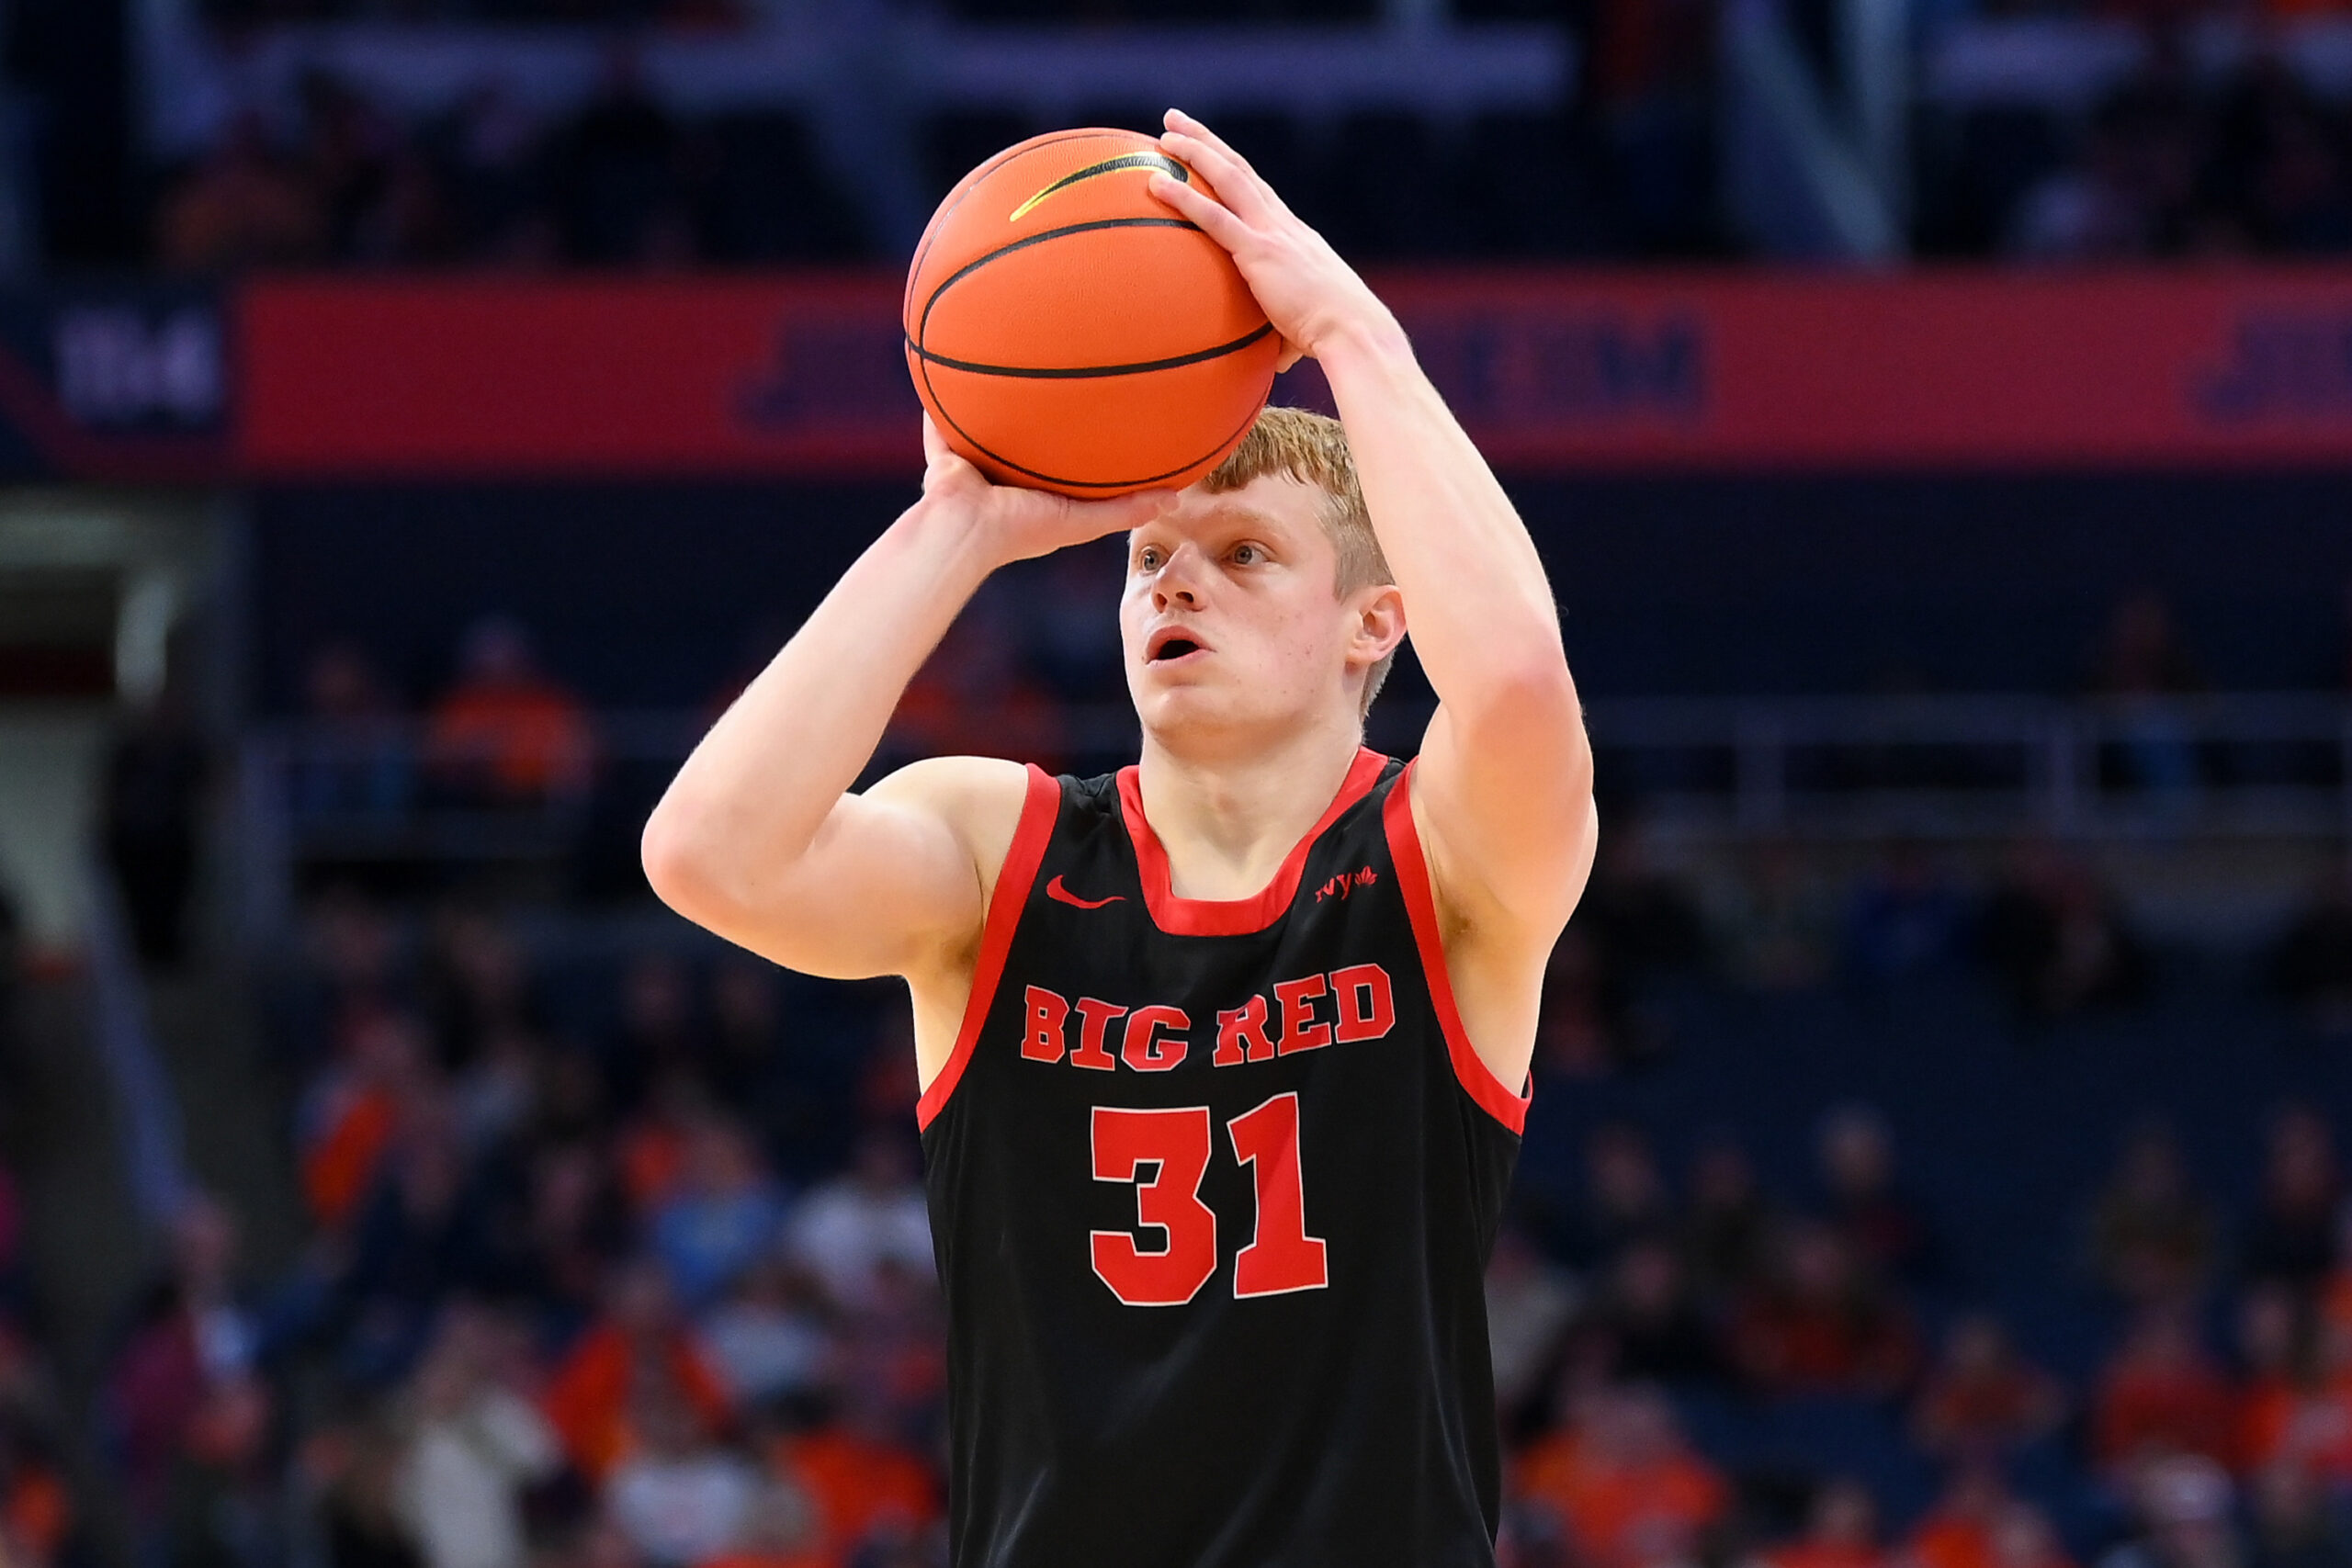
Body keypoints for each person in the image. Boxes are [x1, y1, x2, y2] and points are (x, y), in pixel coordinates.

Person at [642, 108, 1597, 1567]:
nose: (1178, 586)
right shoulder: (999, 842)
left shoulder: (1439, 856)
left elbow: (1521, 682)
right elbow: (707, 853)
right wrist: (950, 526)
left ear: (1372, 625)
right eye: (1152, 555)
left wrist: (1351, 329)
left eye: (1245, 554)